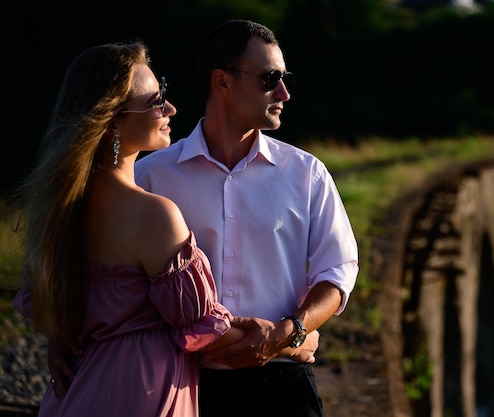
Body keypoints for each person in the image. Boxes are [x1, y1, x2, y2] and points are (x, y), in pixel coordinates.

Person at [11, 41, 316, 417]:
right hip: (141, 391)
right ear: (111, 125)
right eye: (155, 101)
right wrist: (292, 341)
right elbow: (203, 331)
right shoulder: (152, 215)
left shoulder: (61, 212)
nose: (170, 108)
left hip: (80, 389)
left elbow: (61, 310)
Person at [135, 20, 359, 417]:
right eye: (271, 78)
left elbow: (338, 271)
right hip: (182, 383)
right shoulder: (152, 176)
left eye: (284, 78)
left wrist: (291, 331)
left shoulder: (306, 173)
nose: (284, 93)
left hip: (284, 383)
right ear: (222, 81)